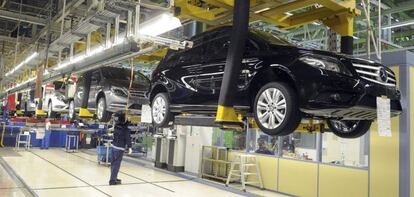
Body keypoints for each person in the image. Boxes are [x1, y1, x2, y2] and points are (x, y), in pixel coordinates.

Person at [109, 113, 132, 185]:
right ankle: (112, 181)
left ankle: (114, 177)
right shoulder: (126, 130)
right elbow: (128, 139)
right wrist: (130, 147)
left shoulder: (116, 126)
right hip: (119, 149)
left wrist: (128, 121)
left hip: (113, 147)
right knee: (116, 165)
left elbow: (124, 124)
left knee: (113, 164)